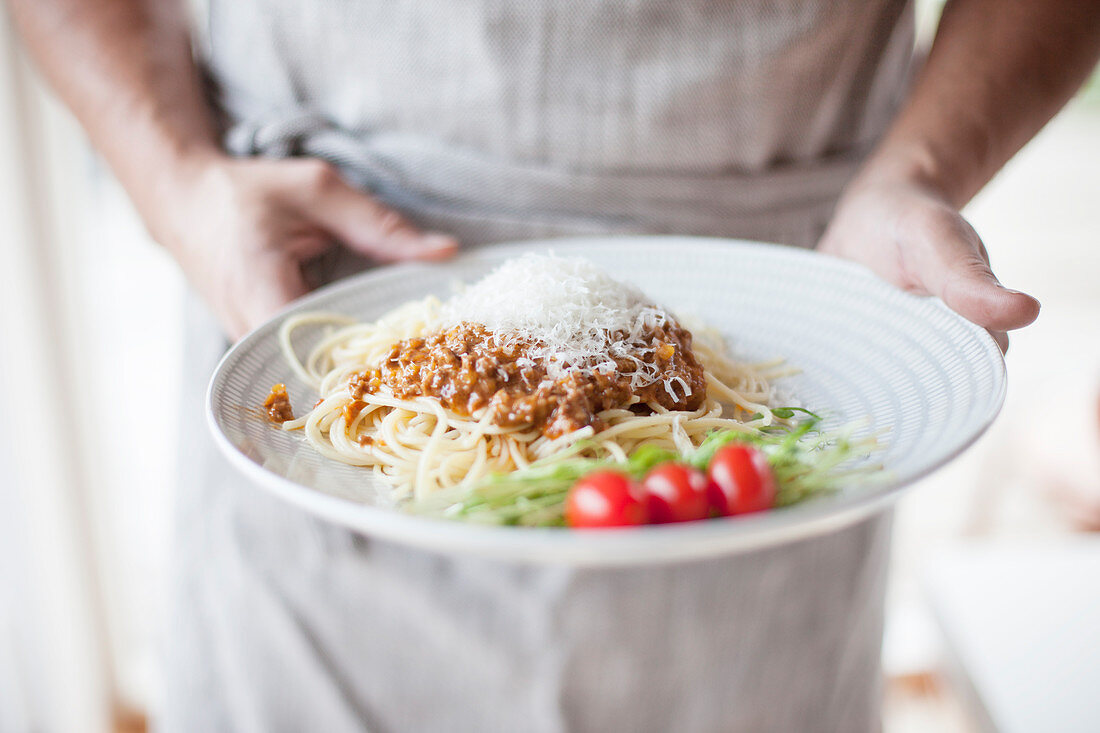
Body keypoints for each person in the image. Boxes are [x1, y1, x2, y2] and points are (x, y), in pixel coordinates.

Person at [9, 0, 1098, 731]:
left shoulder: (756, 360)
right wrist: (174, 181)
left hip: (783, 308)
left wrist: (915, 168)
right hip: (327, 295)